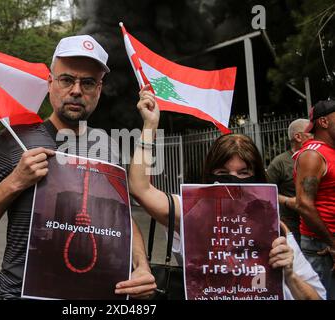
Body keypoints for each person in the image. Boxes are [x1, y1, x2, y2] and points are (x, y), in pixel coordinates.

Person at [0, 35, 156, 300]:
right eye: (67, 80)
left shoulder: (107, 147)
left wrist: (141, 266)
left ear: (99, 89)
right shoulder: (15, 140)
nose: (76, 90)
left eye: (87, 82)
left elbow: (123, 221)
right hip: (19, 294)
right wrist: (15, 181)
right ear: (51, 83)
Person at [128, 84, 326, 300]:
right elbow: (140, 188)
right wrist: (150, 124)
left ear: (257, 176)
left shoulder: (275, 229)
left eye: (243, 173)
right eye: (223, 172)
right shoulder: (193, 214)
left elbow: (316, 297)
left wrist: (289, 274)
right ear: (210, 175)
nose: (233, 181)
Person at [293, 98, 335, 300]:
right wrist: (331, 242)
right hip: (322, 247)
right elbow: (304, 204)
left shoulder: (330, 152)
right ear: (324, 122)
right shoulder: (313, 155)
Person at [267, 119, 313, 244]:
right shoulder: (280, 162)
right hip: (292, 226)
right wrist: (287, 201)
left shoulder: (318, 158)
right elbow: (265, 192)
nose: (315, 136)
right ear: (298, 137)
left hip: (316, 225)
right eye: (311, 133)